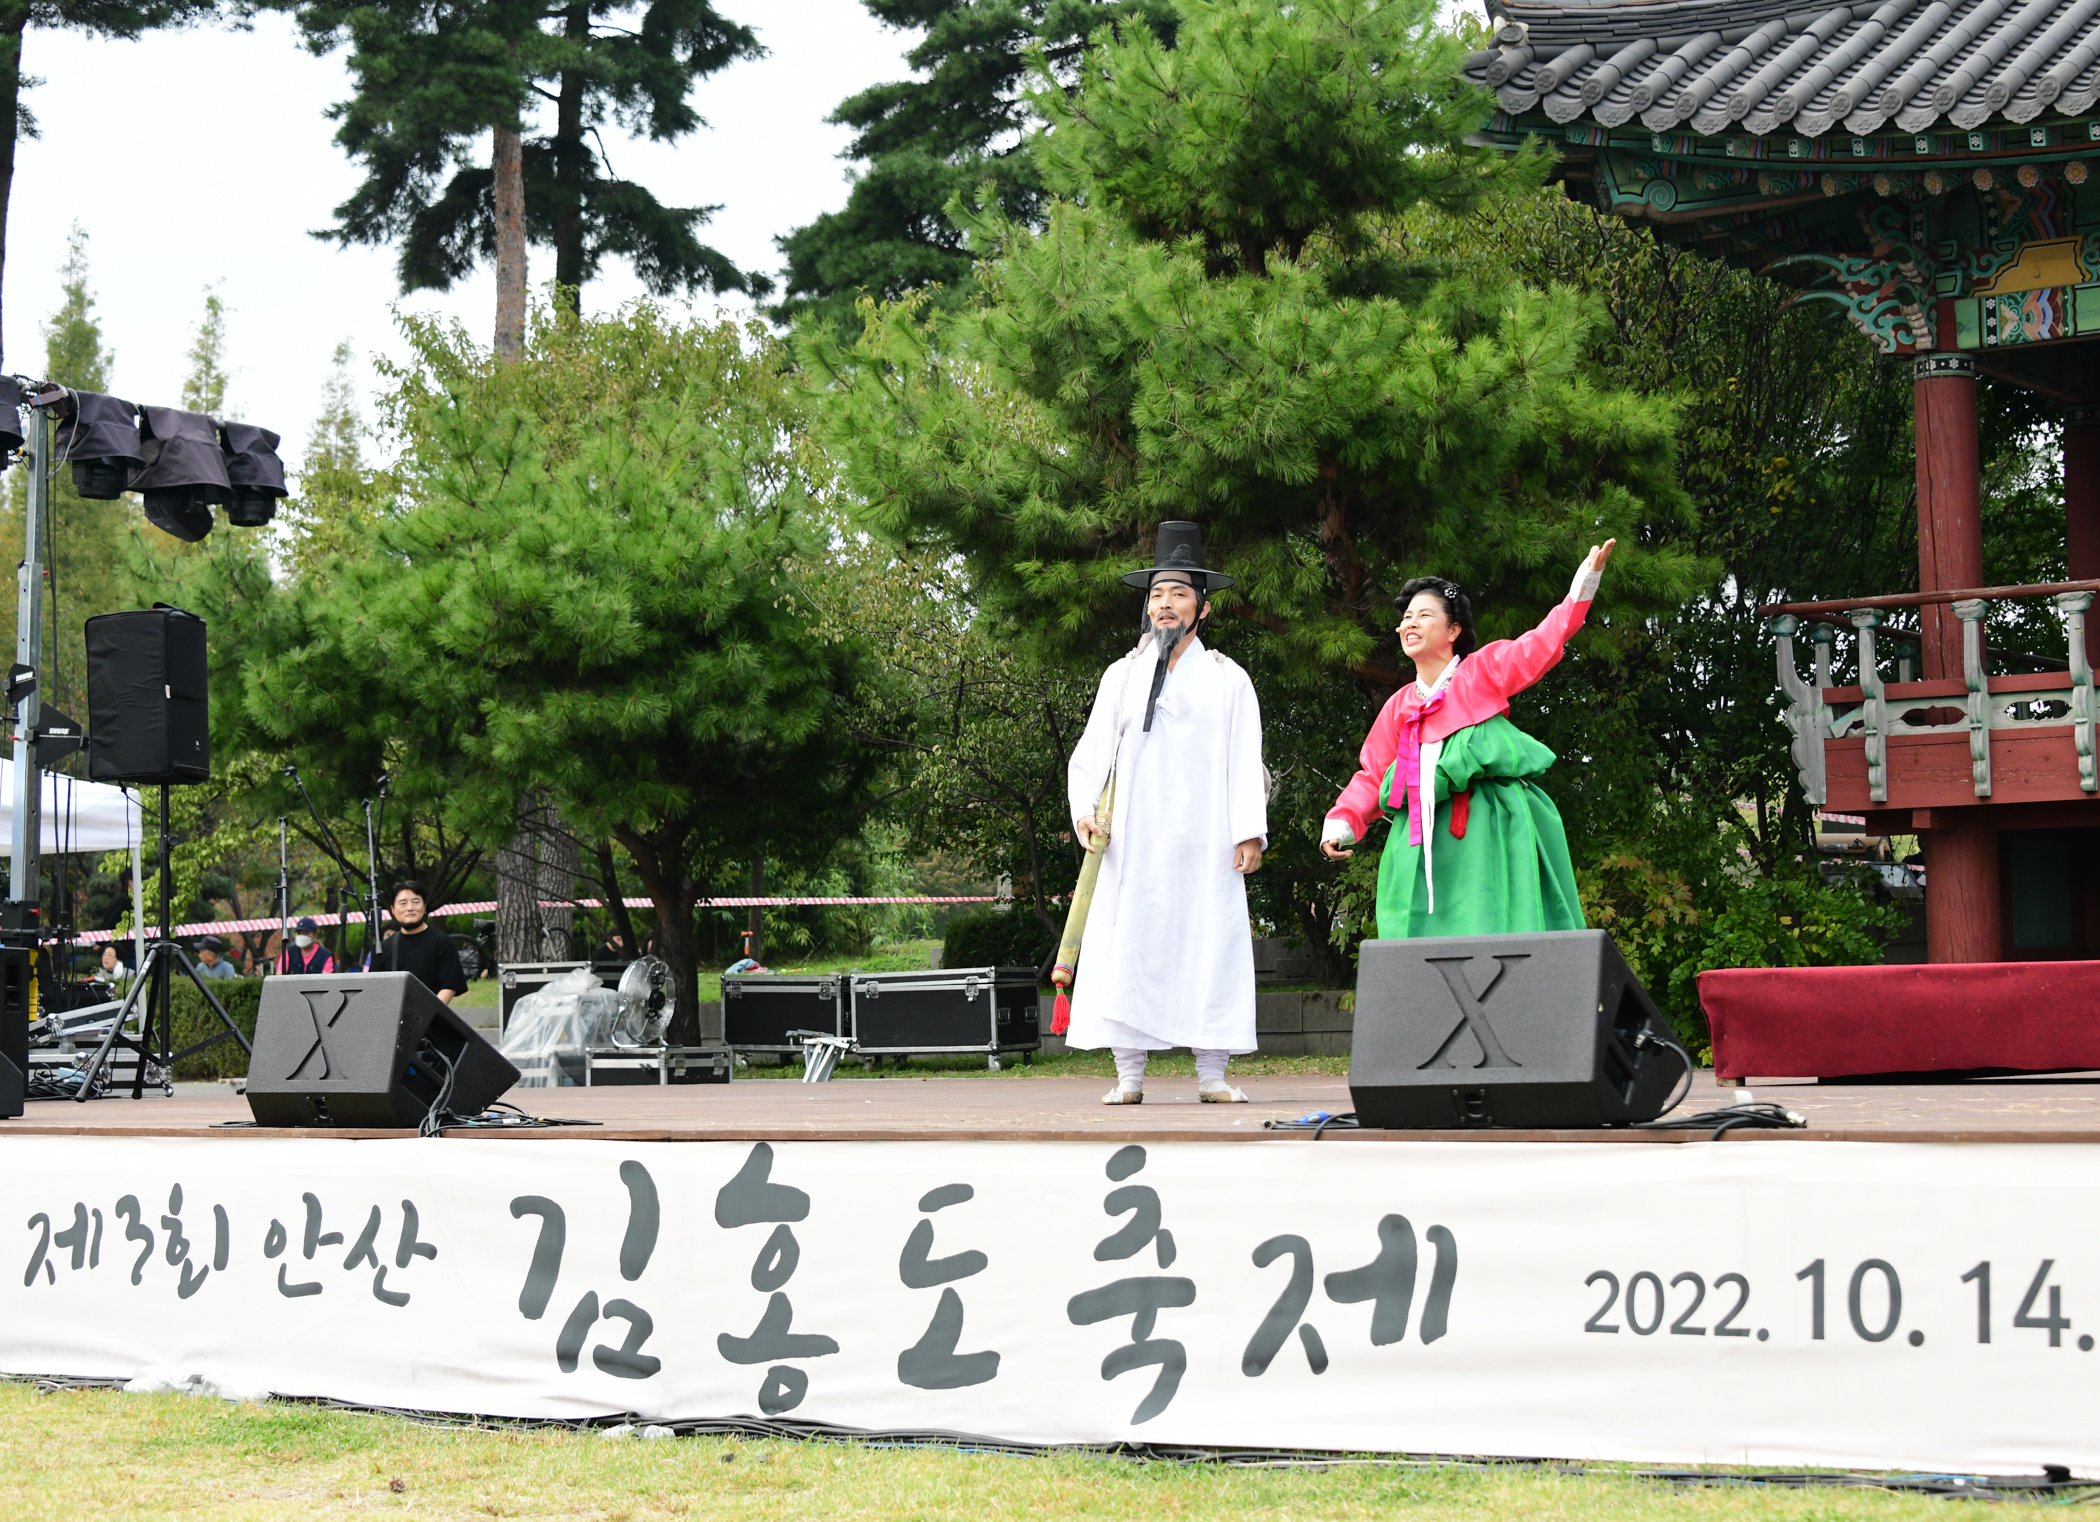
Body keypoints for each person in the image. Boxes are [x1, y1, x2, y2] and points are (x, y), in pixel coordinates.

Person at [1064, 521, 1267, 1106]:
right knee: (1131, 944)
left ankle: (1212, 1074)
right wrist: (1085, 813)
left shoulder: (1230, 680)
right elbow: (1092, 753)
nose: (1166, 604)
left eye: (1179, 593)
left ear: (1202, 607)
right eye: (1157, 594)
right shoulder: (1120, 676)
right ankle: (1129, 1074)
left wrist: (1249, 830)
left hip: (1207, 841)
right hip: (1134, 838)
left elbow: (1244, 757)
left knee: (1212, 942)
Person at [1321, 542, 1616, 939]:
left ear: (1453, 630)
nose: (1411, 623)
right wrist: (1342, 821)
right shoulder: (1399, 706)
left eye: (1424, 615)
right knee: (1418, 942)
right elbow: (1373, 776)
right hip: (1419, 838)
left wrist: (1583, 586)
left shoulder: (1482, 672)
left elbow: (1540, 645)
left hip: (1486, 826)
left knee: (1490, 926)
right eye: (1407, 617)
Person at [378, 880, 469, 1004]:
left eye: (416, 902)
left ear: (424, 906)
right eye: (403, 903)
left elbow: (449, 985)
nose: (410, 908)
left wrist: (428, 1015)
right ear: (393, 909)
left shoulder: (442, 942)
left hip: (431, 1017)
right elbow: (376, 988)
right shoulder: (385, 947)